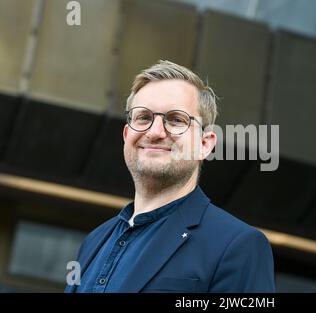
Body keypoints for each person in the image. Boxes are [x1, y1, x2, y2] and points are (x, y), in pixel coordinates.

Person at [65, 60, 275, 293]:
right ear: (127, 134)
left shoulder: (238, 246)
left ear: (205, 144)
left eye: (176, 120)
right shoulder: (94, 241)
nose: (155, 132)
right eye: (143, 117)